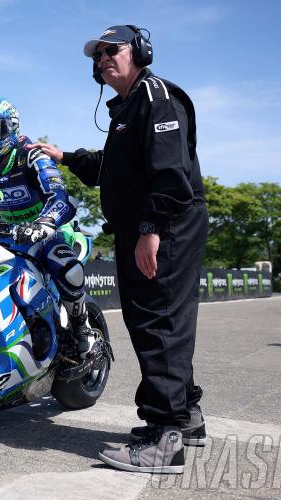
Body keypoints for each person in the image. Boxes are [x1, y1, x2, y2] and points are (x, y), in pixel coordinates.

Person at [27, 25, 208, 474]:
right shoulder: (128, 106)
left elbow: (170, 172)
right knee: (162, 320)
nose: (103, 59)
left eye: (113, 50)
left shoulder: (156, 96)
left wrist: (151, 228)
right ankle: (186, 417)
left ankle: (166, 439)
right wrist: (65, 157)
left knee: (157, 322)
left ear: (141, 51)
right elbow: (115, 169)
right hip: (148, 226)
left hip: (163, 226)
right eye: (98, 56)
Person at [0, 96, 92, 358]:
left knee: (63, 265)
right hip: (7, 234)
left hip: (48, 230)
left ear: (9, 129)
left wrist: (43, 223)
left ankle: (82, 329)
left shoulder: (31, 155)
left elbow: (60, 197)